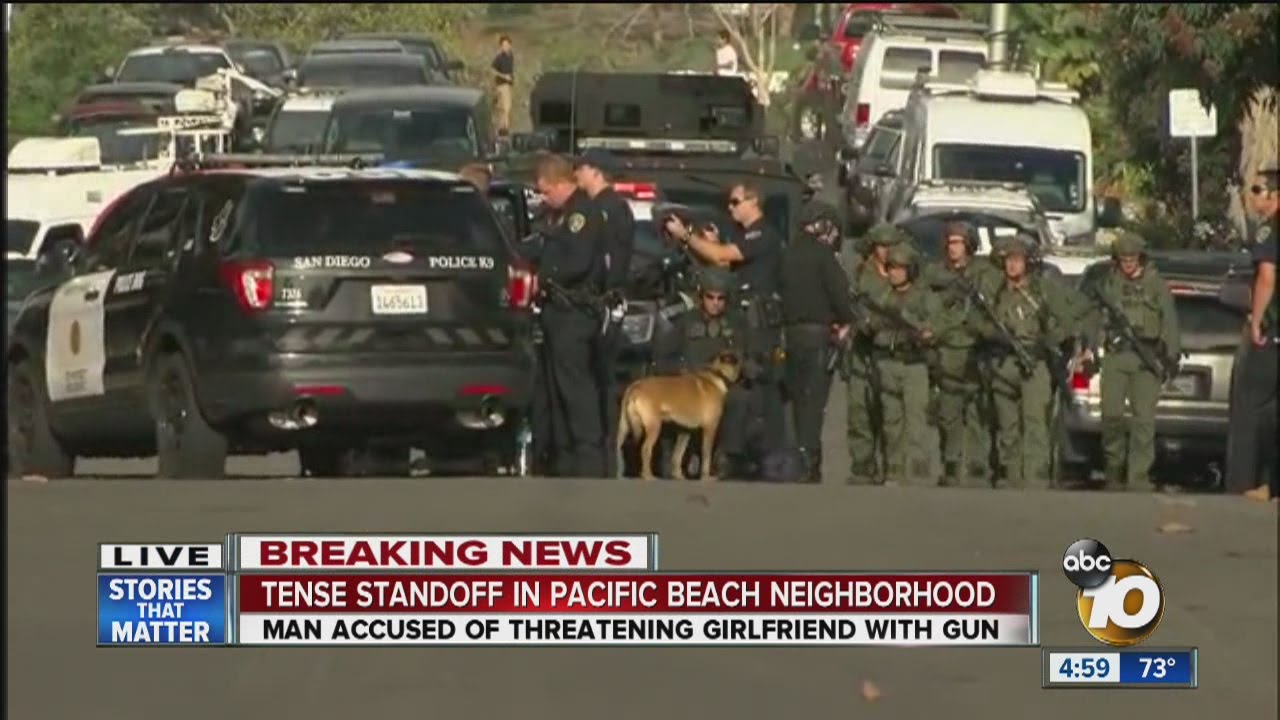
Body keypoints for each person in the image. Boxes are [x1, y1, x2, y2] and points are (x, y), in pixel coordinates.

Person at [662, 182, 786, 456]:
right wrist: (708, 241)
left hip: (758, 319)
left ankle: (768, 453)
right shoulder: (745, 235)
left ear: (753, 201)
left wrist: (685, 236)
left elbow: (721, 256)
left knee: (760, 385)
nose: (730, 207)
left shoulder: (762, 233)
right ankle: (735, 452)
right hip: (744, 317)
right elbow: (722, 263)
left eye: (735, 201)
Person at [972, 234, 1083, 489]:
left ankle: (1035, 475)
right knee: (1007, 423)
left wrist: (1050, 339)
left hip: (1035, 362)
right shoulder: (996, 292)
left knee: (1035, 421)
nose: (1012, 265)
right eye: (1008, 260)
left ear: (1028, 263)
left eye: (1017, 260)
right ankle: (1011, 473)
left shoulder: (1043, 291)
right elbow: (975, 320)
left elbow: (1069, 319)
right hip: (1003, 362)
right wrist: (993, 333)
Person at [1079, 231, 1181, 492]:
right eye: (1123, 258)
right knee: (1111, 416)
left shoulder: (1156, 285)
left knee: (1143, 420)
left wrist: (1171, 356)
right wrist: (1088, 347)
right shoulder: (1109, 285)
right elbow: (1093, 318)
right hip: (1116, 356)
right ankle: (1114, 470)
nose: (1128, 262)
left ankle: (1138, 477)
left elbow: (1169, 322)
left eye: (1132, 257)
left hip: (1146, 358)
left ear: (1141, 258)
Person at [530, 153, 608, 477]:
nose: (544, 198)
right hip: (556, 312)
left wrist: (547, 277)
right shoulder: (558, 216)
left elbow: (576, 262)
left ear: (563, 184)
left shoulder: (581, 215)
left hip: (574, 312)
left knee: (576, 385)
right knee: (556, 386)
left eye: (547, 191)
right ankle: (564, 452)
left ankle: (588, 452)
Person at [651, 268, 758, 479]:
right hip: (689, 386)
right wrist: (679, 370)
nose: (715, 302)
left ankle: (725, 456)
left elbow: (748, 356)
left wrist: (746, 366)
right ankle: (680, 458)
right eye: (710, 297)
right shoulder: (685, 322)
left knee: (739, 400)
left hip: (723, 386)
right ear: (701, 296)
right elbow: (661, 357)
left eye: (721, 298)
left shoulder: (737, 323)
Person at [920, 220, 1000, 487]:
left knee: (978, 410)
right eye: (950, 242)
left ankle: (978, 464)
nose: (954, 248)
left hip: (976, 347)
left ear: (969, 245)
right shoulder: (935, 273)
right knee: (949, 412)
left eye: (959, 242)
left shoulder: (984, 273)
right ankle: (951, 461)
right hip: (946, 348)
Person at [865, 243, 952, 484]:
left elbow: (939, 323)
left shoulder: (924, 296)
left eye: (900, 268)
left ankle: (917, 472)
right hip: (886, 362)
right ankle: (893, 469)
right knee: (891, 422)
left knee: (916, 421)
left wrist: (925, 332)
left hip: (914, 364)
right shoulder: (882, 295)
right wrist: (875, 324)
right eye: (891, 267)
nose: (894, 273)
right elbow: (866, 322)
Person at [781, 201, 855, 482]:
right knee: (814, 402)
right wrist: (847, 320)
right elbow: (841, 296)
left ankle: (796, 456)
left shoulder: (787, 253)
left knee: (797, 399)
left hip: (791, 335)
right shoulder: (824, 256)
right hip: (818, 337)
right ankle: (808, 460)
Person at [574, 149, 635, 476]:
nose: (576, 175)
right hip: (610, 302)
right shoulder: (618, 208)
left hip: (603, 305)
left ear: (595, 172)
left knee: (599, 377)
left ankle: (603, 449)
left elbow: (609, 259)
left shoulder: (604, 209)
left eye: (580, 168)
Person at [1226, 160, 1278, 501]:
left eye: (1260, 190)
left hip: (1275, 331)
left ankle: (1245, 481)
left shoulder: (1270, 230)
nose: (1255, 196)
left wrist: (1256, 320)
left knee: (1253, 406)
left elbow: (1266, 277)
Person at [845, 224, 902, 484]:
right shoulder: (860, 274)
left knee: (890, 412)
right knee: (860, 410)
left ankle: (893, 465)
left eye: (891, 246)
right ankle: (862, 465)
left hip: (891, 350)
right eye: (882, 246)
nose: (886, 251)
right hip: (862, 349)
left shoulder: (903, 273)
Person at [490, 35, 515, 136]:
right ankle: (503, 129)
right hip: (501, 85)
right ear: (500, 46)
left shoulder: (511, 56)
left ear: (510, 45)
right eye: (503, 45)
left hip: (508, 85)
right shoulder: (499, 58)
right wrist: (504, 76)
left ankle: (503, 129)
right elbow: (492, 70)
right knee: (505, 108)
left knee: (505, 109)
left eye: (507, 45)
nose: (505, 47)